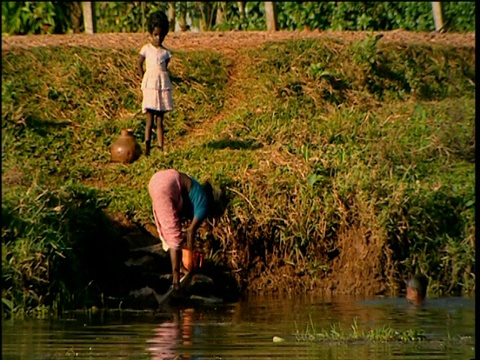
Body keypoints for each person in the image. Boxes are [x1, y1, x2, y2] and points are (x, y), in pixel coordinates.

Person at [148, 169, 225, 295]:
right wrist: (190, 260)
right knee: (174, 239)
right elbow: (190, 232)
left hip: (156, 179)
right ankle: (176, 283)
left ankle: (179, 269)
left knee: (167, 228)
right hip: (166, 186)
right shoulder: (204, 206)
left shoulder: (199, 191)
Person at [138, 11, 173, 155]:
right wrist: (143, 79)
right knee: (149, 119)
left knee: (160, 120)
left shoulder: (166, 53)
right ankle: (147, 147)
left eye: (161, 35)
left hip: (161, 87)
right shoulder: (146, 49)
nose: (158, 38)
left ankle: (160, 147)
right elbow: (139, 64)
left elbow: (165, 68)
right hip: (150, 87)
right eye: (155, 35)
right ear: (150, 33)